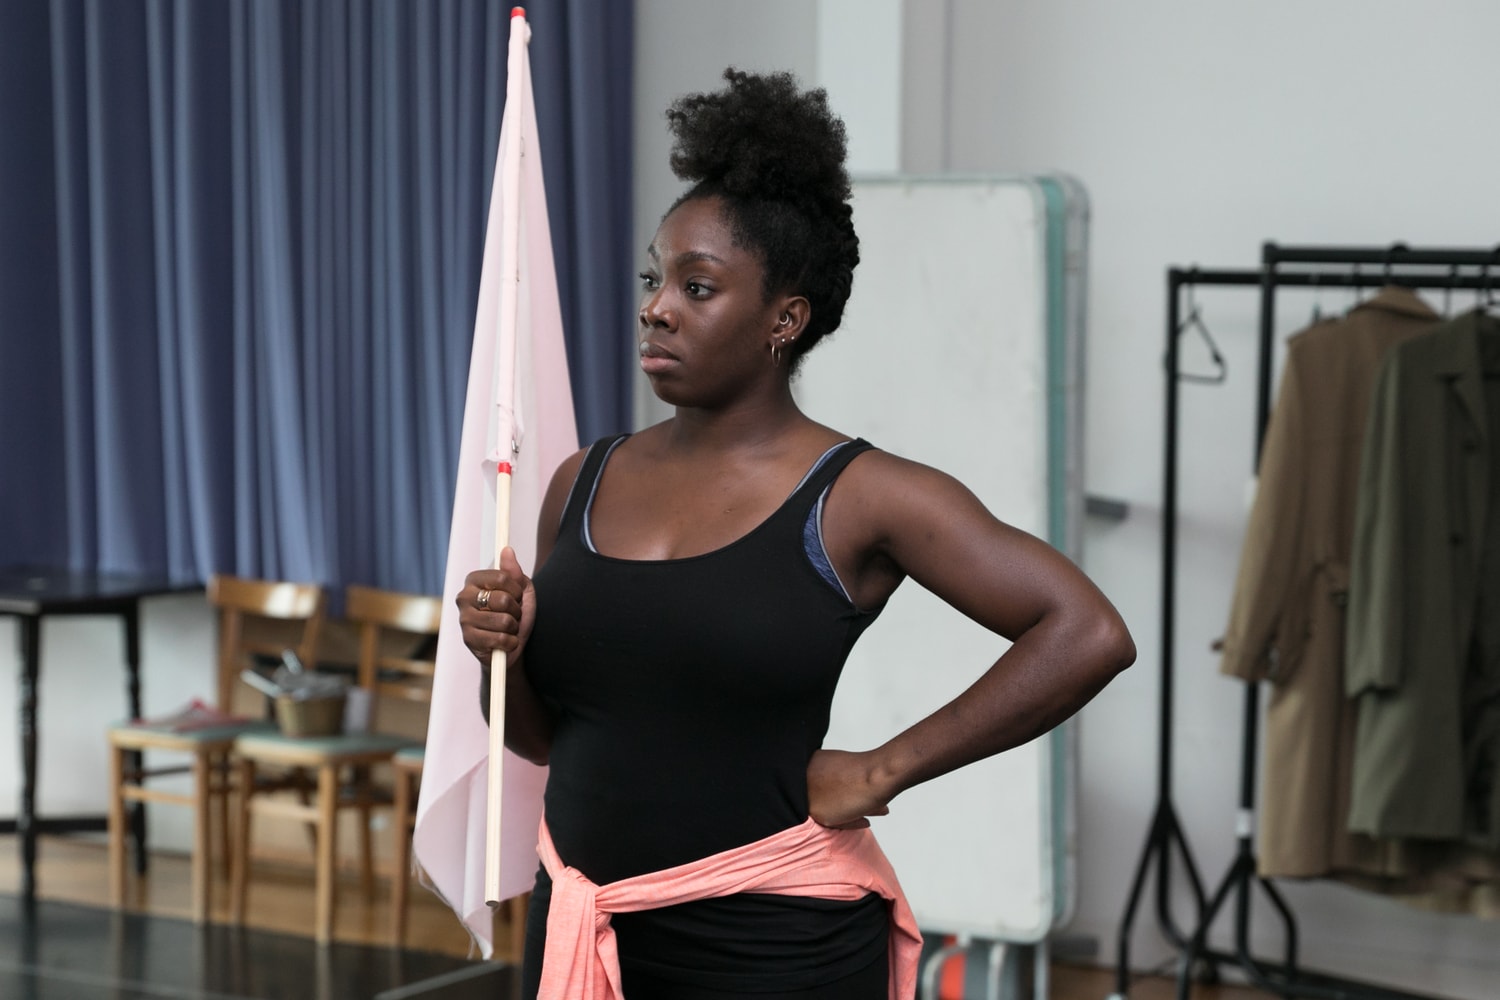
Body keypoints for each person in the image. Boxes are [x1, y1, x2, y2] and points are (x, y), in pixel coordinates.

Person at [458, 68, 1135, 1000]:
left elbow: (1086, 631)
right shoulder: (583, 480)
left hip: (770, 950)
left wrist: (885, 766)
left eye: (698, 288)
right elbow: (540, 738)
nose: (656, 306)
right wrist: (497, 649)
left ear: (785, 319)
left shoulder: (856, 497)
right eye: (655, 279)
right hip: (585, 926)